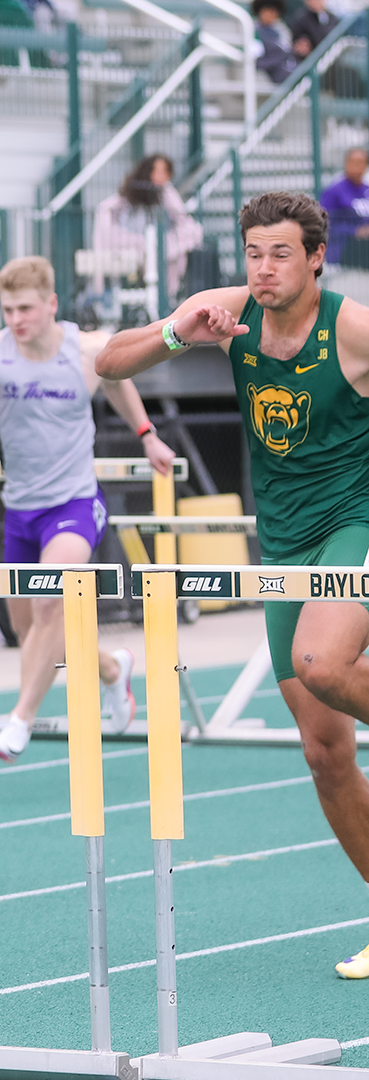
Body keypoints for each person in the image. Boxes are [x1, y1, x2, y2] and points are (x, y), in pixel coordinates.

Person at [96, 192, 369, 977]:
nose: (264, 268)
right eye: (253, 253)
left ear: (316, 257)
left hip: (354, 524)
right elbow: (109, 363)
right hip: (283, 539)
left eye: (281, 253)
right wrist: (180, 333)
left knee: (323, 663)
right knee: (323, 751)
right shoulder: (224, 311)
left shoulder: (349, 327)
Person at [0, 256, 175, 762]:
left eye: (26, 308)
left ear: (51, 304)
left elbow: (119, 381)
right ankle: (112, 669)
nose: (16, 319)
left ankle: (20, 720)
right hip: (21, 509)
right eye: (7, 309)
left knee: (52, 603)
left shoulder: (89, 349)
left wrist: (148, 437)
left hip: (75, 502)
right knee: (30, 631)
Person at [92, 154, 202, 293]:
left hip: (156, 245)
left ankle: (168, 293)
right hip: (132, 244)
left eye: (165, 172)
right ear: (147, 172)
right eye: (158, 171)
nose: (162, 176)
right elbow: (108, 212)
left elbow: (180, 215)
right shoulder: (131, 193)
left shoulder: (166, 193)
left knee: (172, 251)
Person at [320, 147, 369, 268]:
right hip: (344, 246)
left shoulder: (366, 190)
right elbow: (323, 224)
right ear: (346, 163)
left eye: (360, 163)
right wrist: (355, 231)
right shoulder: (334, 191)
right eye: (352, 162)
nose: (356, 167)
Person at [255, 0, 297, 83]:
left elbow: (286, 49)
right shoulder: (254, 29)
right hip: (263, 67)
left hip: (279, 67)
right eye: (268, 11)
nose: (272, 15)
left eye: (274, 12)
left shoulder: (282, 30)